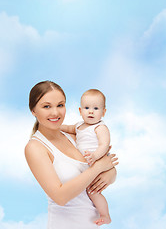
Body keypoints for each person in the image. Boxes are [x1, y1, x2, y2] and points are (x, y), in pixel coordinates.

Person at [25, 81, 118, 229]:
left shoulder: (75, 137)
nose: (55, 112)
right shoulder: (35, 147)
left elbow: (104, 165)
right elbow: (60, 197)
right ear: (33, 111)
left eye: (60, 105)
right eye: (46, 106)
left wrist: (111, 173)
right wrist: (98, 168)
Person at [61, 89, 111, 225]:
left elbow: (104, 145)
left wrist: (95, 156)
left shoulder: (100, 127)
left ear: (103, 112)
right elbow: (68, 128)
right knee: (83, 188)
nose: (90, 111)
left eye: (96, 108)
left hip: (95, 162)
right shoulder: (78, 126)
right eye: (87, 108)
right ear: (80, 110)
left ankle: (105, 215)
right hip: (85, 165)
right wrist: (58, 127)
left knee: (93, 192)